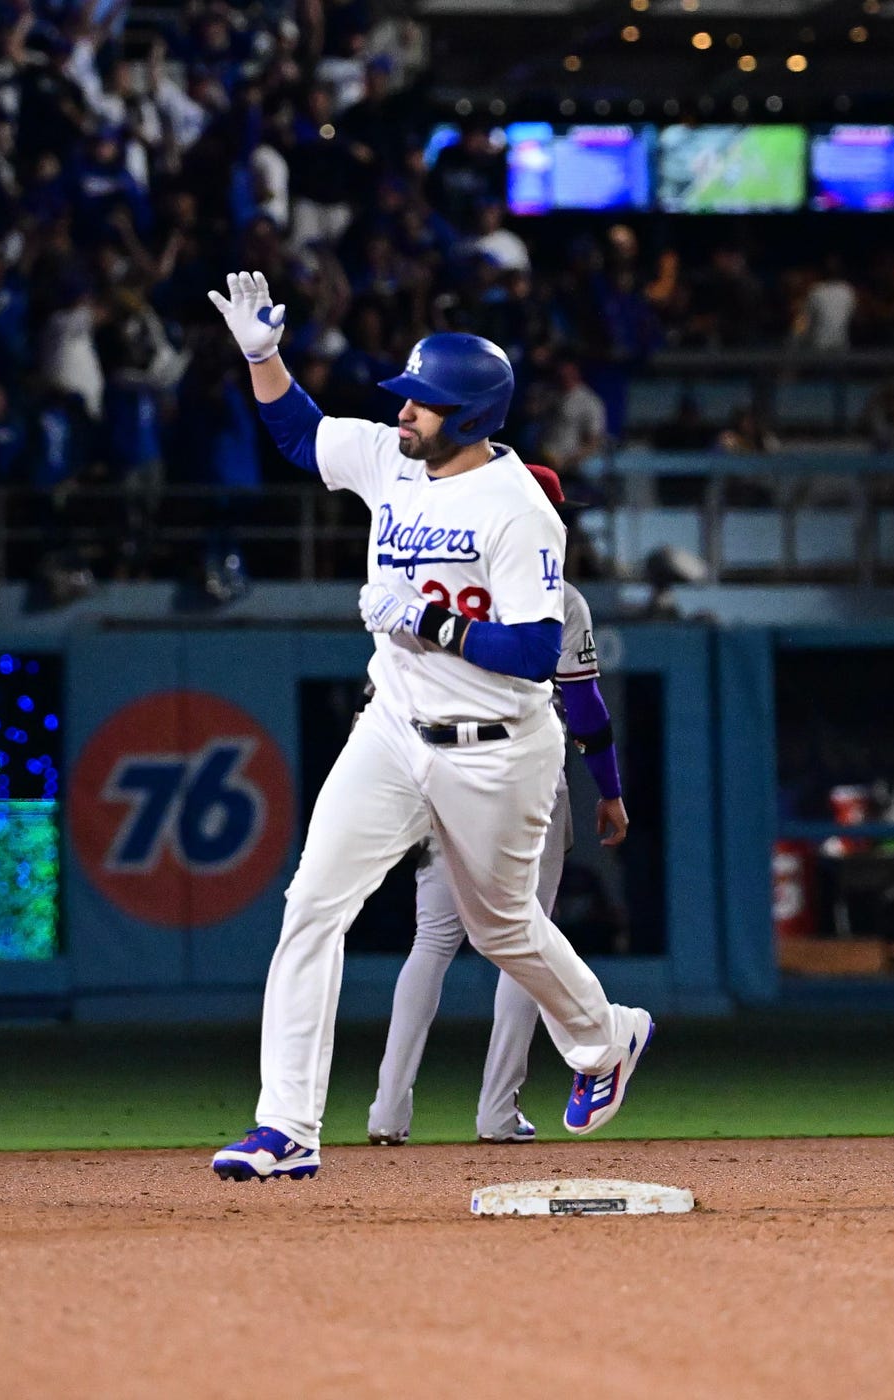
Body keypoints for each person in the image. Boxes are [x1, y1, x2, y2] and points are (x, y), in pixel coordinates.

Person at [205, 271, 653, 1181]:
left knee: (502, 932)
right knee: (311, 908)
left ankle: (606, 1039)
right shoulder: (390, 458)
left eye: (423, 403)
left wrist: (432, 622)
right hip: (395, 729)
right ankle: (286, 1129)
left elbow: (535, 649)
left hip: (497, 751)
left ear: (472, 414)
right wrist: (262, 355)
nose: (404, 412)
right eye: (406, 398)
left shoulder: (519, 509)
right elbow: (297, 433)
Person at [366, 462, 628, 1145]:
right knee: (524, 938)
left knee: (433, 941)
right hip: (519, 775)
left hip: (433, 768)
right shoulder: (558, 598)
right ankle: (496, 1112)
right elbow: (588, 707)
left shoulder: (430, 583)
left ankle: (387, 1112)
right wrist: (612, 789)